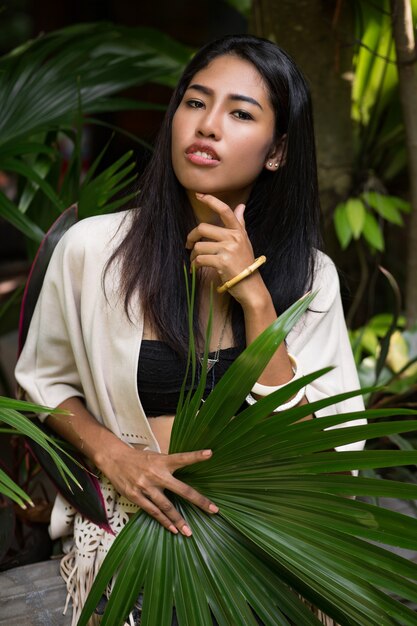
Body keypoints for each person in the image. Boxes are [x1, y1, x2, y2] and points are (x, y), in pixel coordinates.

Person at [15, 34, 365, 626]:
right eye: (196, 103)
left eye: (240, 113)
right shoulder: (92, 251)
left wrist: (255, 302)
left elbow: (324, 458)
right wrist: (116, 456)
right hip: (135, 535)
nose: (207, 126)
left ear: (277, 151)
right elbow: (42, 385)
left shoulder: (312, 278)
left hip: (268, 543)